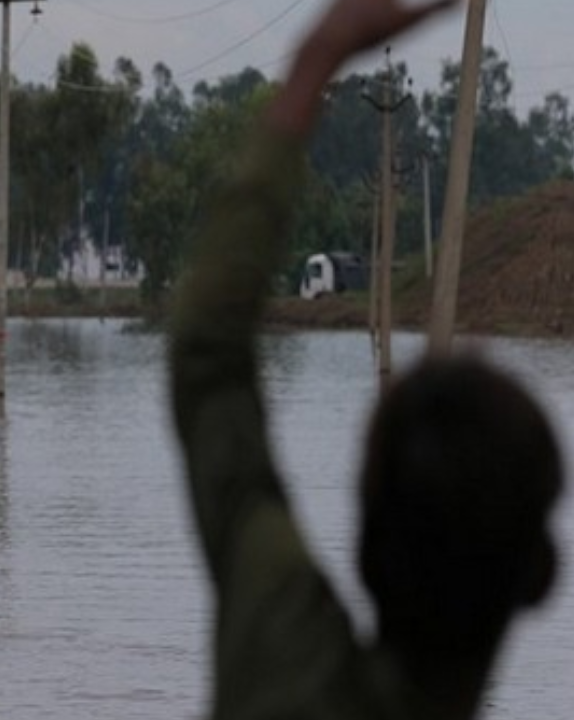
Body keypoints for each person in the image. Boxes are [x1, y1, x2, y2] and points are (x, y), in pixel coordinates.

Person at [167, 1, 563, 719]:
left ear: (366, 535)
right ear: (540, 576)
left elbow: (207, 356)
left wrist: (317, 58)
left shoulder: (281, 654)